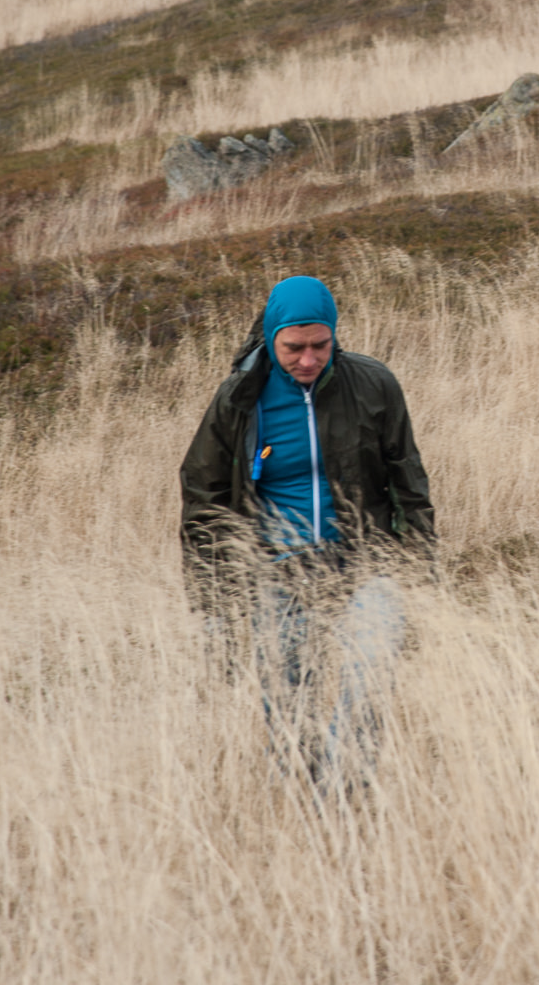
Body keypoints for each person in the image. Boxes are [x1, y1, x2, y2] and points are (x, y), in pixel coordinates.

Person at [179, 274, 434, 795]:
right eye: (294, 348)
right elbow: (203, 502)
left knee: (370, 677)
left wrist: (418, 574)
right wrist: (215, 606)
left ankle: (341, 794)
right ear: (272, 338)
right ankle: (299, 801)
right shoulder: (239, 400)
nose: (309, 360)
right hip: (277, 570)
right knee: (290, 705)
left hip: (366, 563)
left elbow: (409, 484)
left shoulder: (374, 384)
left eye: (321, 344)